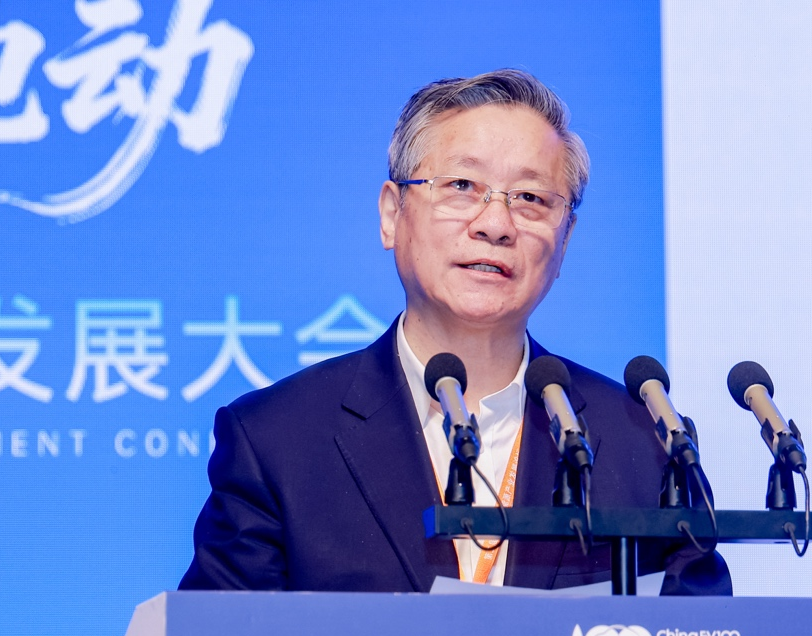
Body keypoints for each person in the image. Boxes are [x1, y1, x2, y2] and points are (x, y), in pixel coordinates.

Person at [180, 69, 729, 594]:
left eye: (530, 198)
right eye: (463, 186)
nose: (495, 224)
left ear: (565, 240)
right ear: (392, 214)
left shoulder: (649, 444)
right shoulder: (277, 441)